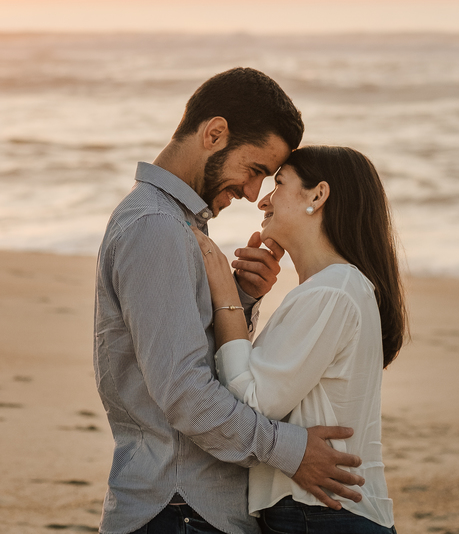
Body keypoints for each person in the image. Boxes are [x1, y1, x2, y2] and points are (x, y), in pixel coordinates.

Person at [94, 68, 366, 534]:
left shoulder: (176, 225)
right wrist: (292, 451)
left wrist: (239, 298)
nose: (252, 193)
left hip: (186, 509)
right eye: (255, 169)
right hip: (179, 509)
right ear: (214, 133)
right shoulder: (155, 228)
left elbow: (187, 367)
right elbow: (185, 395)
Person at [194, 145, 407, 534]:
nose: (263, 201)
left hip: (320, 515)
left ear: (318, 195)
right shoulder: (337, 288)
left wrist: (226, 296)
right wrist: (245, 296)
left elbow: (254, 405)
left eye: (278, 183)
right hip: (323, 513)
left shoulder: (332, 291)